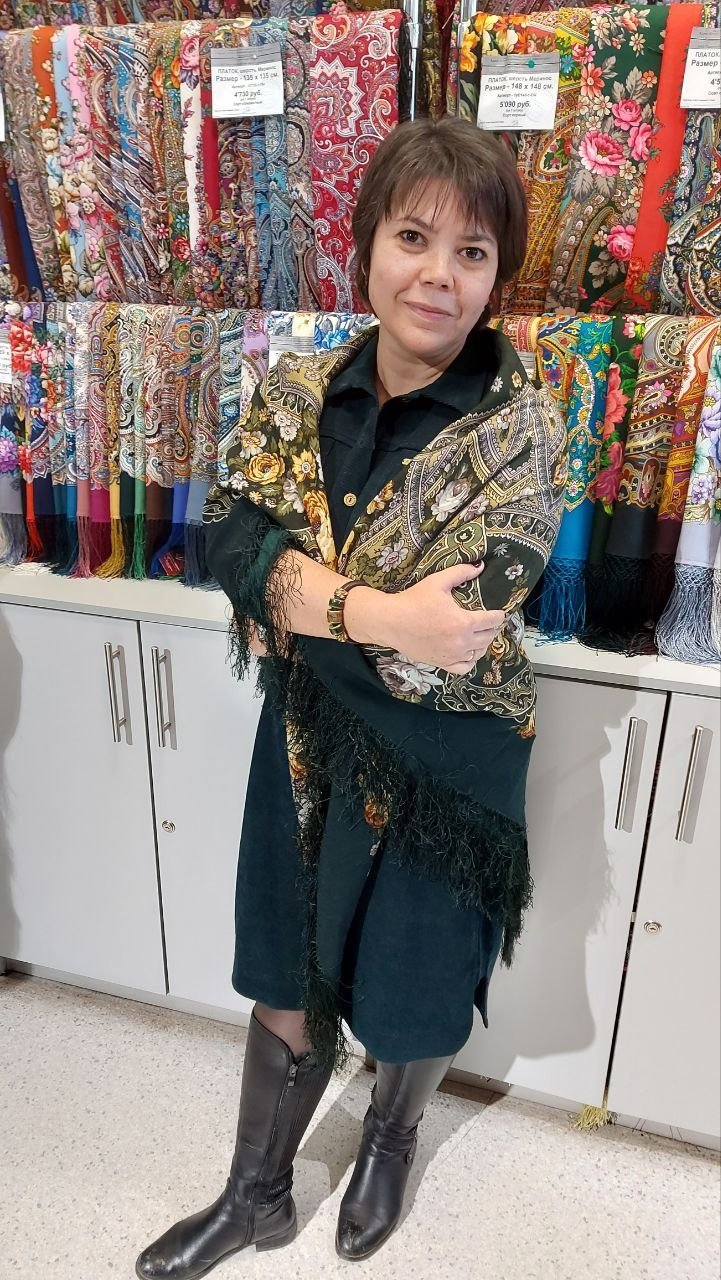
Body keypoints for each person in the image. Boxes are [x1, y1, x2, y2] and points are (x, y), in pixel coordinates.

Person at [136, 117, 567, 1280]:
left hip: (446, 759)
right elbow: (227, 539)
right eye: (412, 237)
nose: (438, 274)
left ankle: (388, 1132)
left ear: (495, 275)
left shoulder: (521, 424)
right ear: (366, 243)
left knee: (414, 973)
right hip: (307, 734)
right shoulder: (298, 391)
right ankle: (255, 1194)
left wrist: (305, 597)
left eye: (471, 252)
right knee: (287, 959)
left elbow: (462, 623)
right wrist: (375, 610)